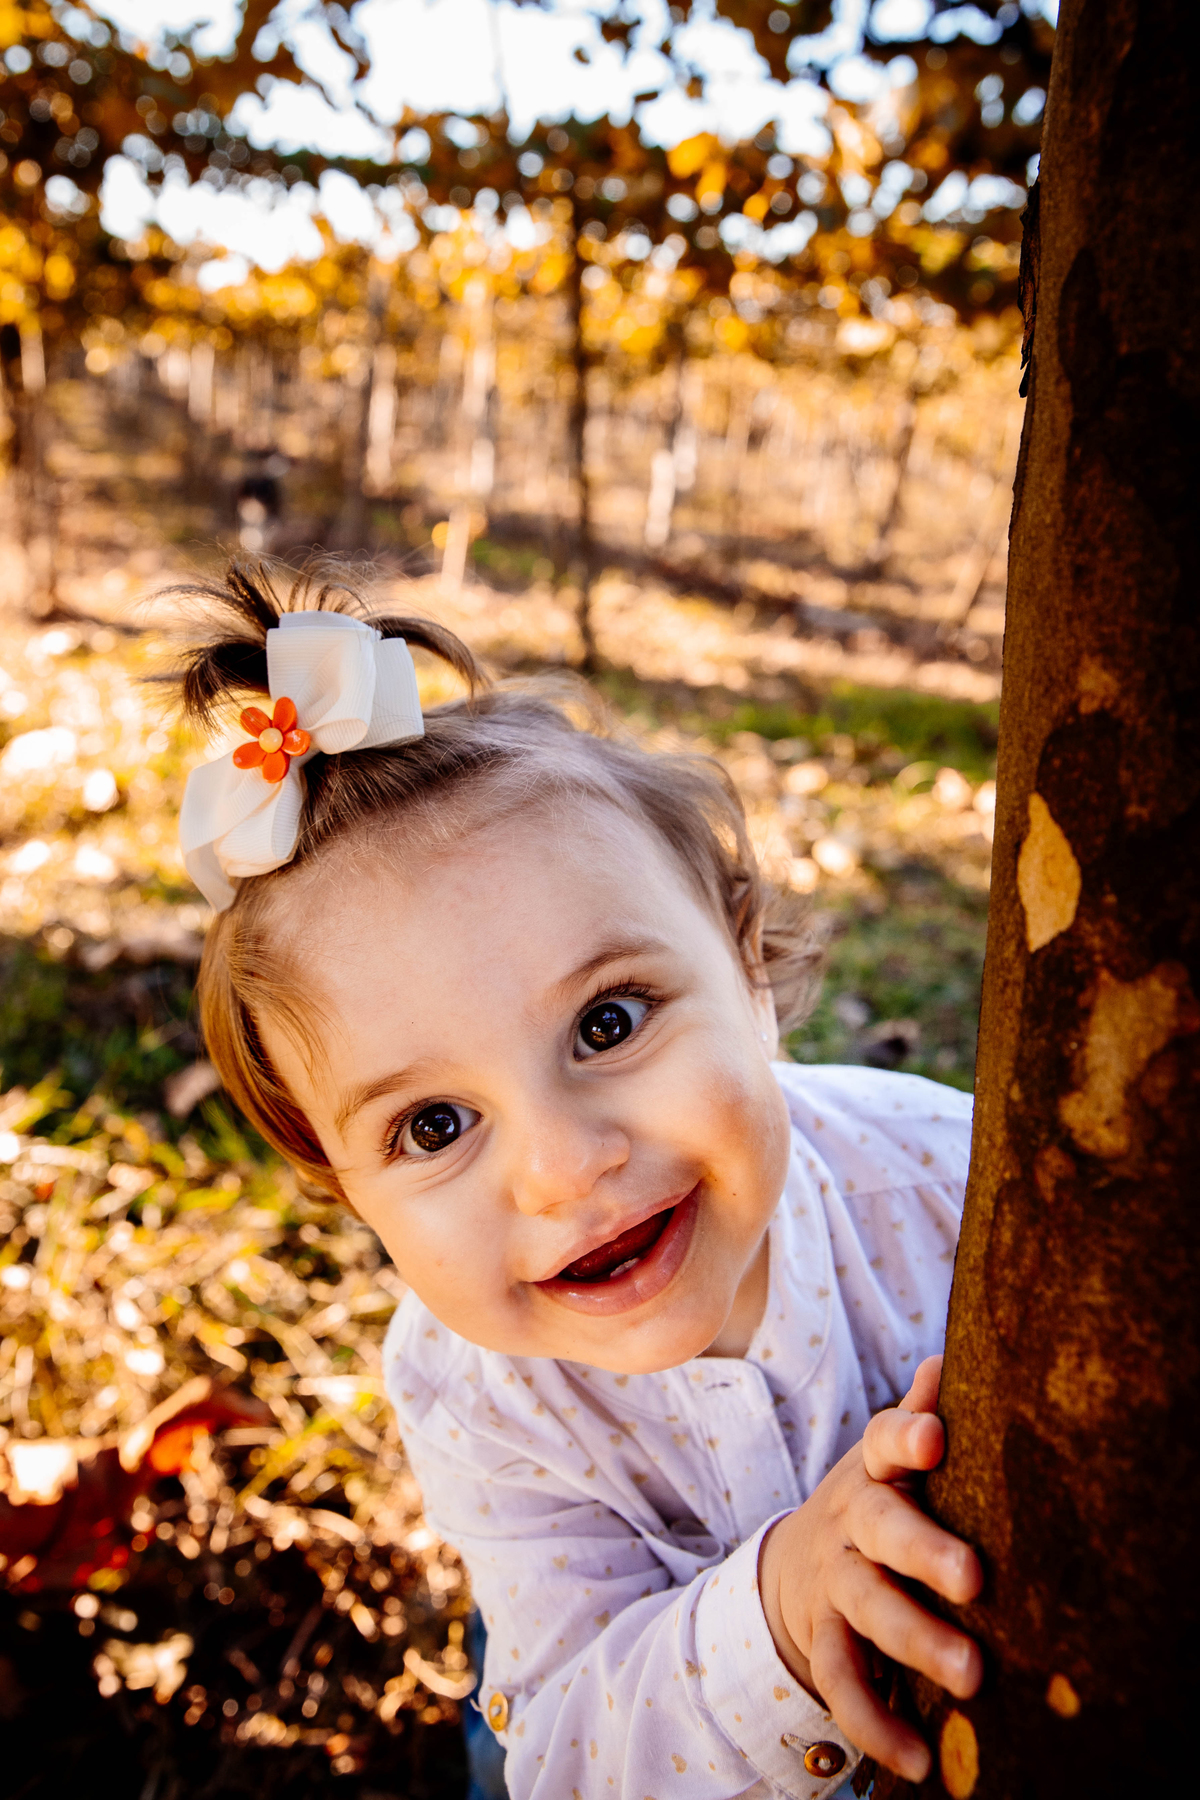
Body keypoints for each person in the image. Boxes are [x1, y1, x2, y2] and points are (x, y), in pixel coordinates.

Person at [176, 561, 983, 1800]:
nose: (563, 1167)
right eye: (434, 1124)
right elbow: (568, 1761)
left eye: (608, 1025)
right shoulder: (474, 1388)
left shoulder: (946, 1184)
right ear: (343, 1185)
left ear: (745, 963)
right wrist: (776, 1613)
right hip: (605, 1703)